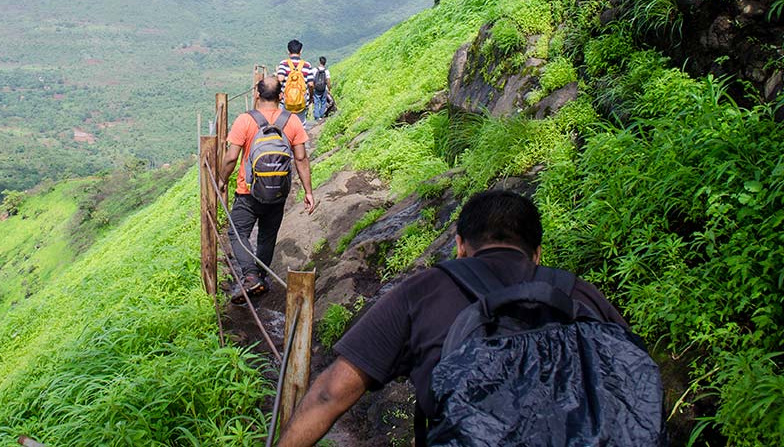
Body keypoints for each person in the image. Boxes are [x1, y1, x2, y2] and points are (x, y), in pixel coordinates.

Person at [276, 190, 629, 447]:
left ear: (460, 245)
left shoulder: (426, 291)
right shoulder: (580, 296)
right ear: (537, 253)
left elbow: (330, 394)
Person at [218, 75, 315, 303]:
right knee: (267, 237)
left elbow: (232, 157)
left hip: (247, 191)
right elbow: (300, 159)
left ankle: (251, 278)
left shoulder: (245, 120)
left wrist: (222, 179)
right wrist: (309, 192)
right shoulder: (291, 121)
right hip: (278, 192)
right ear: (281, 96)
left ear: (256, 95)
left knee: (237, 232)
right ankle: (260, 277)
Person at [277, 39, 315, 125]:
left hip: (286, 101)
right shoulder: (307, 65)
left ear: (288, 51)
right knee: (300, 126)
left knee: (284, 125)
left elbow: (280, 78)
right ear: (301, 51)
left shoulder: (283, 63)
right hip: (301, 101)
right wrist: (311, 97)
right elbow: (311, 84)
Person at [311, 56, 332, 121]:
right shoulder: (327, 71)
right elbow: (328, 81)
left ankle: (317, 117)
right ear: (325, 63)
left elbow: (311, 80)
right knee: (323, 102)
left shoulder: (314, 70)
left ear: (319, 62)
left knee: (316, 102)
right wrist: (329, 89)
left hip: (316, 88)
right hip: (324, 88)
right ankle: (321, 115)